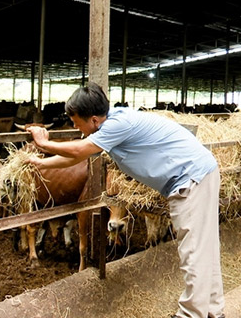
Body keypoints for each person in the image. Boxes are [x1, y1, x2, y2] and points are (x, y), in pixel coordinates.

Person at [25, 82, 224, 318]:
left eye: (76, 121)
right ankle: (213, 310)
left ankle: (192, 314)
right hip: (199, 174)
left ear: (94, 120)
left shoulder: (117, 125)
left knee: (194, 249)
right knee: (204, 247)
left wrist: (43, 142)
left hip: (190, 180)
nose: (74, 126)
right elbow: (74, 159)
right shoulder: (111, 124)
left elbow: (78, 150)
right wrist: (41, 163)